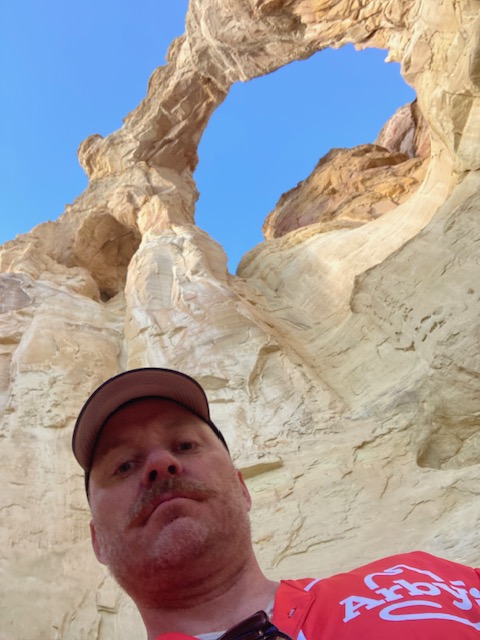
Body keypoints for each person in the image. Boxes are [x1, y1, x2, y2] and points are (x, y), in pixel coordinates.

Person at [72, 367, 480, 639]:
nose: (161, 464)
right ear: (97, 543)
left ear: (242, 489)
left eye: (184, 445)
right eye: (124, 466)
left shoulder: (427, 583)